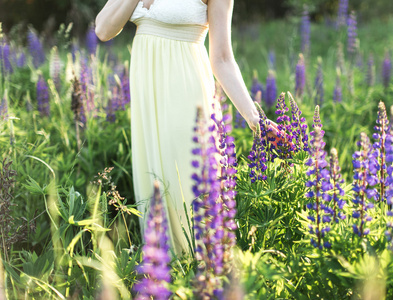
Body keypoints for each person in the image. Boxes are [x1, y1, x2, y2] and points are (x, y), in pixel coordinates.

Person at [95, 0, 281, 256]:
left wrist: (254, 118)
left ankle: (208, 278)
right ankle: (165, 285)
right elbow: (103, 29)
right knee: (153, 190)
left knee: (190, 189)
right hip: (148, 105)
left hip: (186, 96)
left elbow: (223, 59)